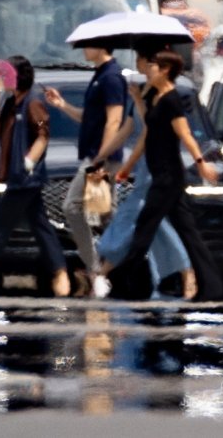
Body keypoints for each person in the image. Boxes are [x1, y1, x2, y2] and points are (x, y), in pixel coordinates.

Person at [116, 51, 223, 301]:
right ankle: (212, 287)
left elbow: (185, 134)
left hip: (169, 176)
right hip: (161, 173)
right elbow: (149, 131)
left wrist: (201, 164)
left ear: (165, 70)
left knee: (145, 224)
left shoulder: (173, 99)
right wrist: (128, 166)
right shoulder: (156, 98)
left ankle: (126, 281)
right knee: (187, 231)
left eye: (152, 66)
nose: (147, 71)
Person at [94, 48, 195, 299]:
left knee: (133, 219)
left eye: (143, 60)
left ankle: (104, 270)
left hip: (156, 168)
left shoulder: (159, 94)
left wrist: (128, 164)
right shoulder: (142, 92)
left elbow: (149, 133)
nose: (141, 65)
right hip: (145, 167)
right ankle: (181, 273)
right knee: (155, 225)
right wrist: (101, 158)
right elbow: (128, 131)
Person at [0, 56, 69, 297]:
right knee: (41, 228)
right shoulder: (11, 103)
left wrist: (28, 162)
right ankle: (61, 274)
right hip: (16, 176)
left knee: (0, 227)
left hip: (26, 178)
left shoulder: (33, 102)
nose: (1, 80)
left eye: (6, 75)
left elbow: (43, 136)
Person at [44, 42, 127, 297]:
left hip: (100, 158)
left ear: (102, 46)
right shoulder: (100, 76)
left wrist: (100, 158)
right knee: (102, 215)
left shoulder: (112, 77)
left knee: (73, 207)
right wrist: (62, 106)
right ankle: (117, 259)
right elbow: (89, 117)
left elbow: (114, 120)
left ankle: (96, 269)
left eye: (87, 46)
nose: (83, 51)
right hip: (96, 156)